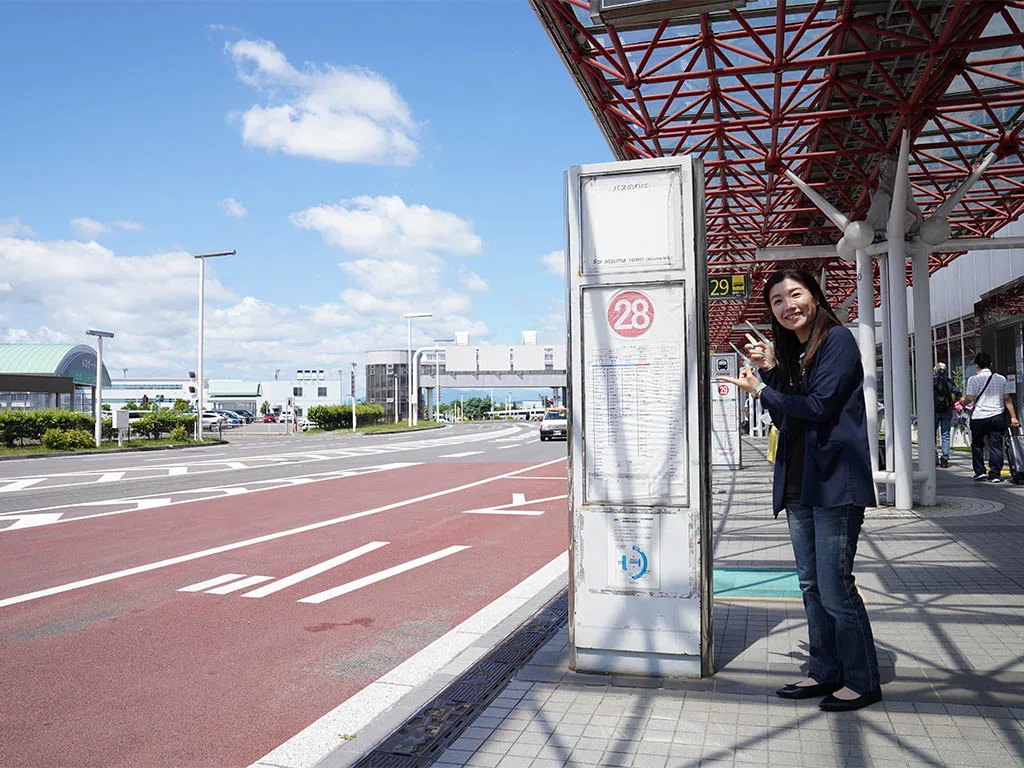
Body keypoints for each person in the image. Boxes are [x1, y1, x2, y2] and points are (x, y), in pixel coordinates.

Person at [717, 268, 881, 712]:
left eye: (795, 294)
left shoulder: (837, 341)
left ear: (814, 295)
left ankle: (863, 680)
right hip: (799, 485)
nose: (788, 306)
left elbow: (819, 406)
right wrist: (771, 372)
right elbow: (787, 418)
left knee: (835, 588)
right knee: (810, 586)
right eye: (777, 301)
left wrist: (761, 390)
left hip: (834, 484)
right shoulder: (797, 351)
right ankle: (825, 671)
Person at [965, 352, 1020, 483]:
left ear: (976, 366)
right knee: (996, 445)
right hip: (997, 416)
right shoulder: (1001, 379)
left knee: (977, 444)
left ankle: (980, 472)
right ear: (990, 364)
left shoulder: (972, 380)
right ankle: (995, 474)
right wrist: (1013, 417)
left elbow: (970, 398)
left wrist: (962, 402)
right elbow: (1007, 398)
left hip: (979, 417)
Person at [933, 362, 962, 468]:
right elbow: (958, 394)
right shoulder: (949, 381)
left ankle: (934, 456)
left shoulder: (931, 381)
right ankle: (945, 459)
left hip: (933, 411)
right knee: (945, 435)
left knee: (932, 435)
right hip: (946, 410)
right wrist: (952, 403)